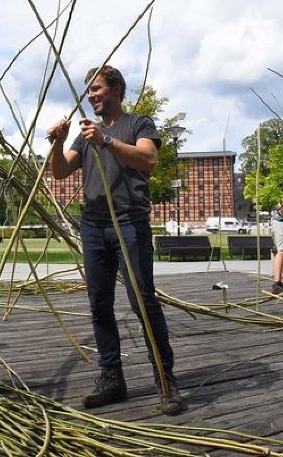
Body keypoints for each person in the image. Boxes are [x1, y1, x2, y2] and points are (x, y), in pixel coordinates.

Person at [47, 64, 183, 416]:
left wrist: (106, 141)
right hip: (93, 226)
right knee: (99, 303)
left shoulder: (138, 123)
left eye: (97, 88)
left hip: (128, 223)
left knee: (143, 303)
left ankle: (165, 379)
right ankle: (112, 378)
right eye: (88, 90)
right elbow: (60, 171)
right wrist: (59, 142)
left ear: (116, 89)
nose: (91, 95)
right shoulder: (85, 134)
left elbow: (149, 159)